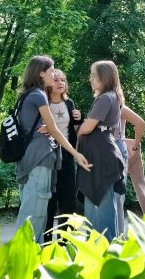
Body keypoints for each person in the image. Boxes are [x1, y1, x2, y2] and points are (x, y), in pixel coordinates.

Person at [15, 56, 90, 243]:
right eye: (51, 72)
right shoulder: (39, 96)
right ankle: (28, 253)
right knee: (36, 213)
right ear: (41, 73)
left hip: (32, 159)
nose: (55, 75)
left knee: (34, 209)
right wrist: (76, 153)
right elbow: (54, 129)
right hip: (41, 158)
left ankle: (41, 251)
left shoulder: (27, 95)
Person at [76, 60, 129, 239]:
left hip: (100, 155)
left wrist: (78, 128)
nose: (90, 79)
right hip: (103, 151)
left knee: (99, 206)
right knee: (103, 205)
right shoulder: (110, 96)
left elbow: (87, 128)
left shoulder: (106, 98)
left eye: (93, 75)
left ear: (104, 77)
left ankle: (103, 253)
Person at [46, 70, 82, 232]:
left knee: (68, 203)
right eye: (55, 80)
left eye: (63, 80)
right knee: (49, 204)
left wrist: (78, 119)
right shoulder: (43, 103)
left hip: (67, 158)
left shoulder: (69, 104)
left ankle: (66, 245)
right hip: (48, 158)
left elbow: (75, 131)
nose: (60, 83)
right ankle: (45, 246)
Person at [121, 101, 145, 215]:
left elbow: (140, 123)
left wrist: (136, 144)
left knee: (115, 193)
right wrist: (136, 144)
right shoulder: (118, 106)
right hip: (128, 147)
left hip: (119, 150)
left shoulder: (115, 106)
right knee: (141, 186)